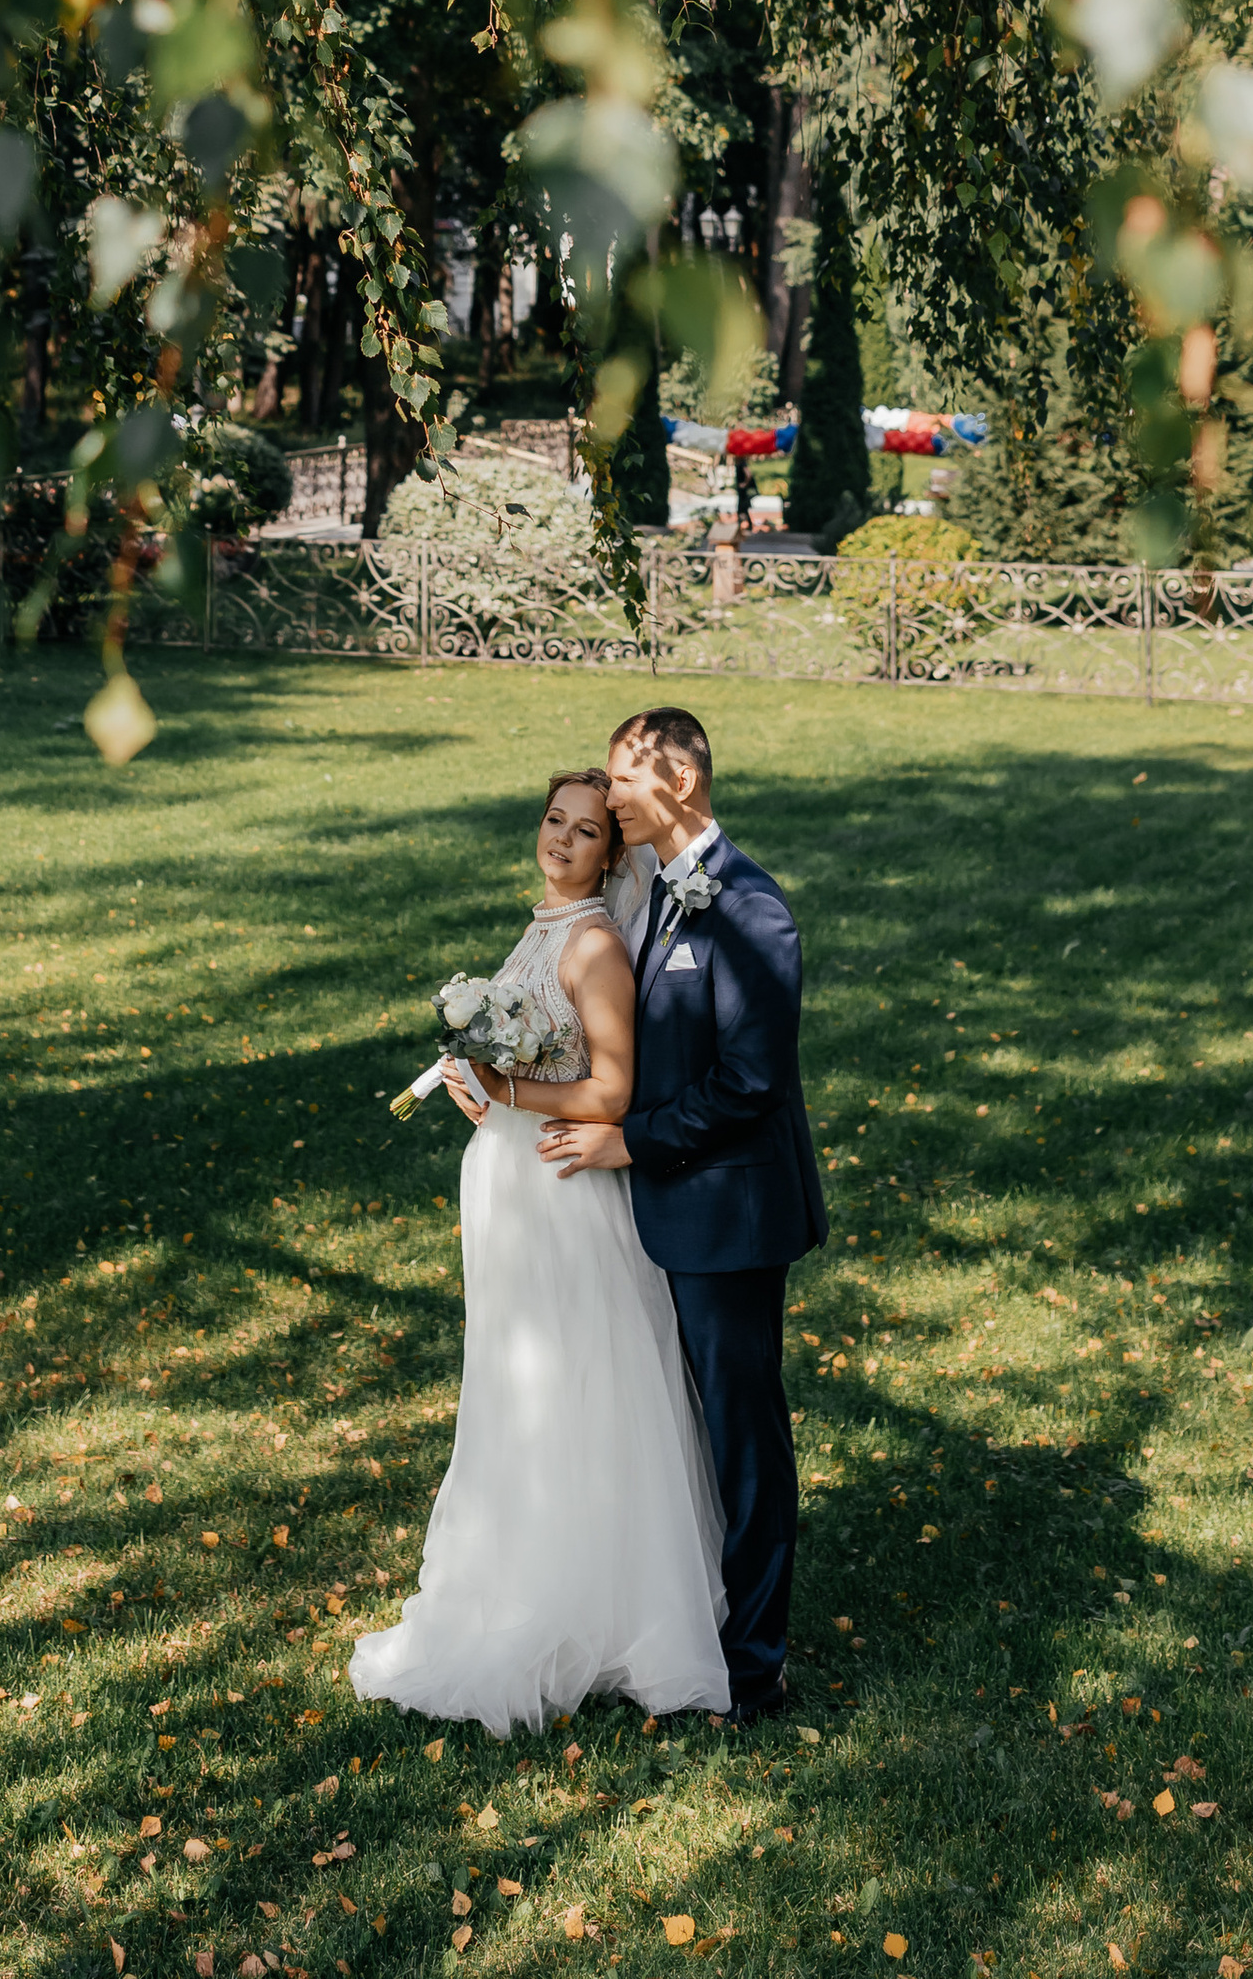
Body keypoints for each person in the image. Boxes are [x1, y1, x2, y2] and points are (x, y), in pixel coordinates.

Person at [351, 768, 729, 1735]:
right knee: (516, 1389)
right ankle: (516, 1571)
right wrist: (480, 1074)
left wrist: (507, 1093)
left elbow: (611, 1090)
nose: (561, 839)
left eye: (586, 830)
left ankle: (597, 1606)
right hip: (511, 1185)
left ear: (614, 853)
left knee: (577, 1384)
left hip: (561, 1190)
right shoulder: (544, 924)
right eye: (554, 821)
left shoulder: (596, 943)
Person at [538, 706, 825, 1725]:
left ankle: (754, 1668)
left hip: (728, 1213)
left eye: (623, 781)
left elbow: (751, 1081)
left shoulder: (751, 910)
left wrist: (630, 1140)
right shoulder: (649, 890)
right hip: (657, 1210)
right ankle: (683, 1621)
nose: (609, 799)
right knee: (676, 1430)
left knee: (741, 1438)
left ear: (682, 786)